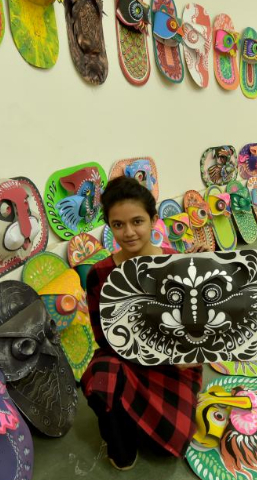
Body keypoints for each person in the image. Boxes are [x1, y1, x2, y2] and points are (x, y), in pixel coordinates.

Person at [80, 176, 203, 471]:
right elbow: (103, 337)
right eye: (118, 225)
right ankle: (118, 443)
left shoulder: (178, 264)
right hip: (127, 359)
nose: (129, 233)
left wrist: (193, 351)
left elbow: (199, 328)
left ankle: (139, 412)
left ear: (153, 220)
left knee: (172, 444)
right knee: (101, 375)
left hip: (173, 365)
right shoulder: (100, 273)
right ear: (109, 226)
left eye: (137, 221)